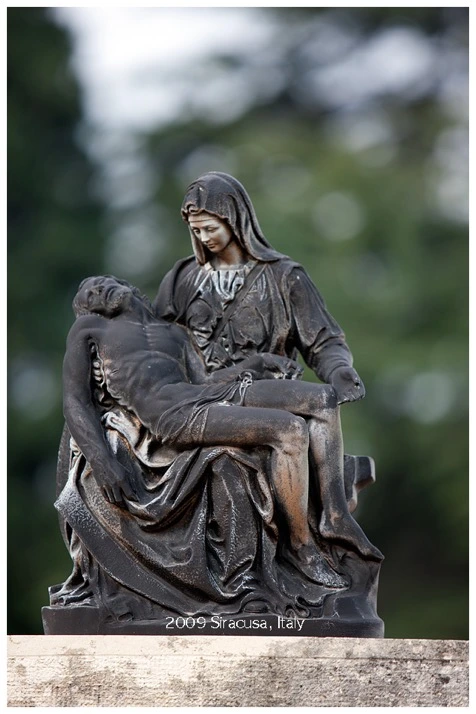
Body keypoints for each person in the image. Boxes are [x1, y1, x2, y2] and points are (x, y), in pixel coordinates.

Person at [66, 274, 361, 588]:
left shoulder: (174, 333)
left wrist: (257, 363)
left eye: (101, 282)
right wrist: (102, 462)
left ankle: (335, 517)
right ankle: (302, 547)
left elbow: (204, 381)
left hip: (202, 395)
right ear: (89, 310)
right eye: (89, 293)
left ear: (126, 284)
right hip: (173, 415)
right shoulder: (90, 329)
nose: (97, 288)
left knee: (323, 399)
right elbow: (74, 399)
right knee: (290, 430)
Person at [154, 171, 381, 561]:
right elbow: (154, 342)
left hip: (265, 395)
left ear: (235, 220)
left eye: (211, 228)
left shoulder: (284, 277)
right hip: (200, 398)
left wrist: (339, 370)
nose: (204, 238)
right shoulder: (182, 280)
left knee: (322, 401)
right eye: (197, 230)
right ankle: (322, 524)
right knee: (305, 415)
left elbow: (323, 341)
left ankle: (334, 515)